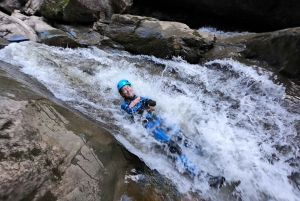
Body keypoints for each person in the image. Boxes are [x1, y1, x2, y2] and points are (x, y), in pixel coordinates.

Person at [117, 79, 225, 188]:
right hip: (150, 126)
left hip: (159, 119)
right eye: (124, 90)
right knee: (173, 147)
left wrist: (148, 101)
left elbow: (153, 102)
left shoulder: (139, 97)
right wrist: (139, 101)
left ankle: (207, 157)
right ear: (121, 94)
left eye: (128, 87)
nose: (127, 90)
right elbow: (130, 110)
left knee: (182, 137)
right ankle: (203, 177)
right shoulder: (124, 105)